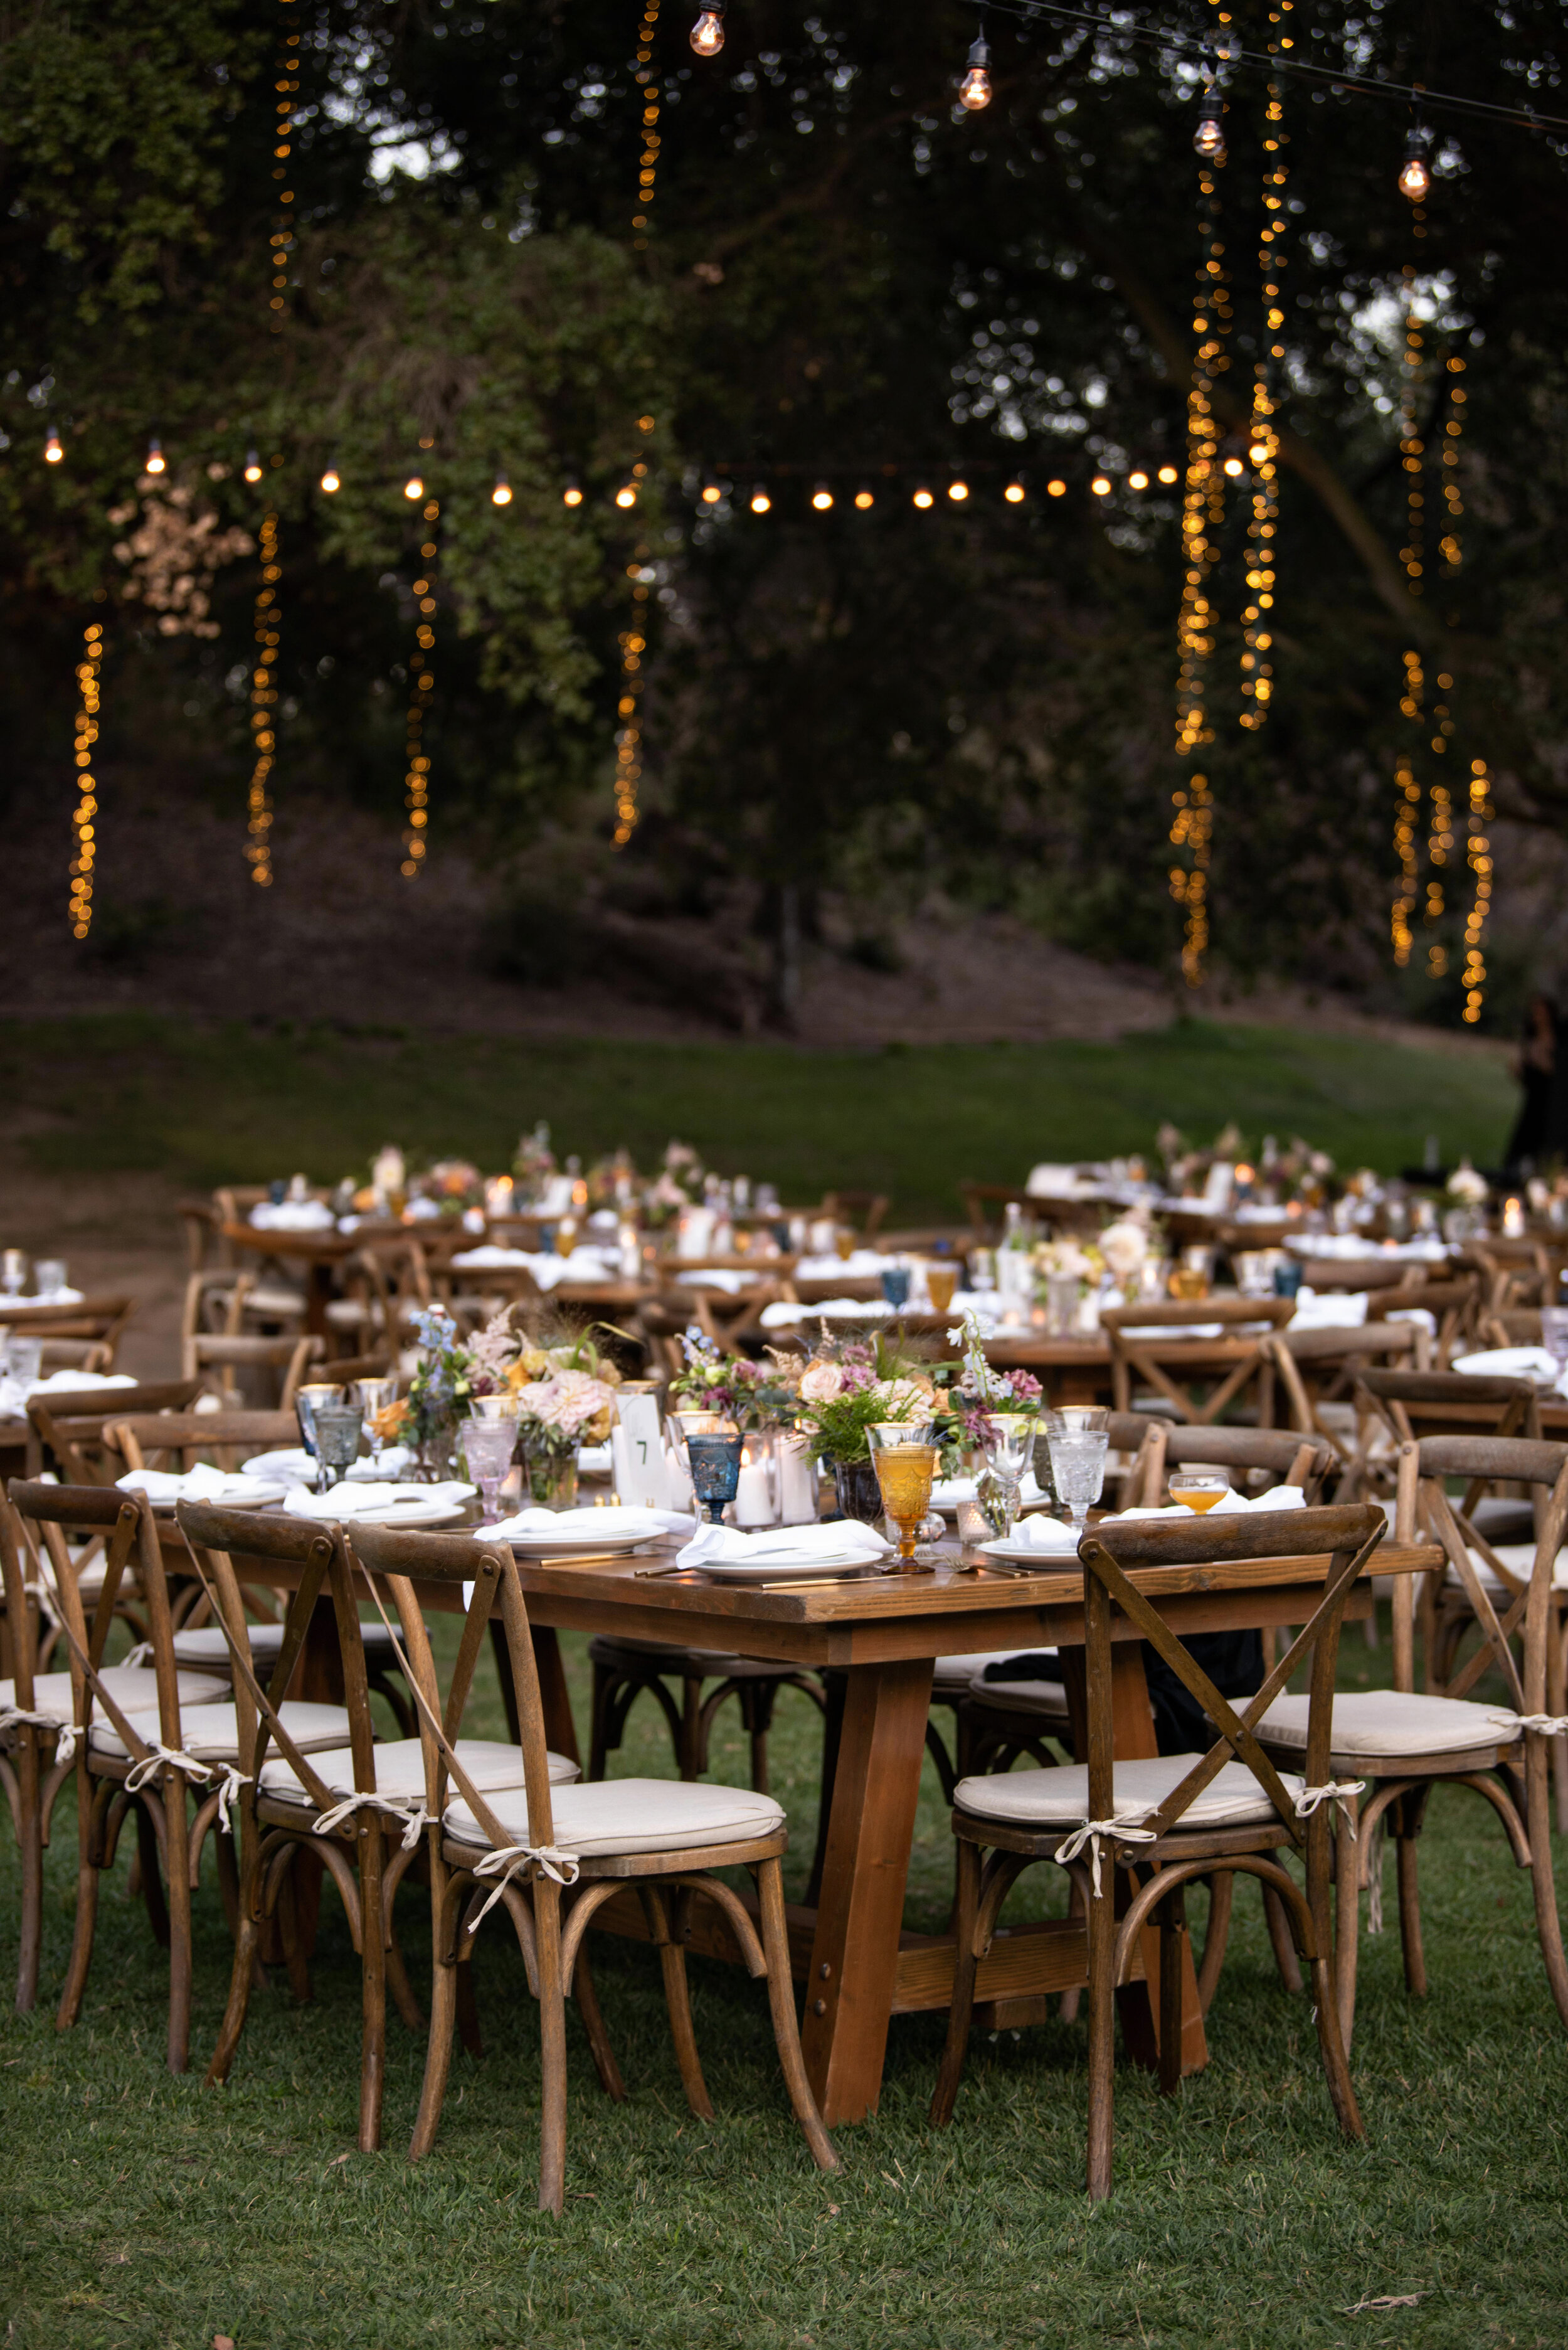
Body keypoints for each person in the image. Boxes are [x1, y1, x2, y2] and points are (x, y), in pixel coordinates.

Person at [1507, 992, 1560, 1171]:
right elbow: (1527, 1076)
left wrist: (1542, 1061)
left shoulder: (1559, 1038)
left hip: (1552, 1099)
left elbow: (1557, 1072)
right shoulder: (1530, 1036)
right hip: (1533, 1097)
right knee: (1524, 1138)